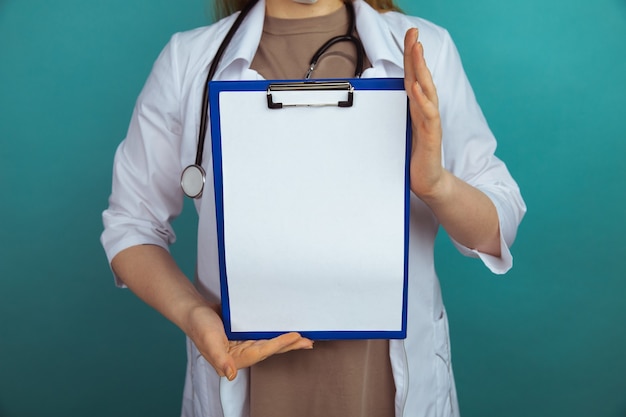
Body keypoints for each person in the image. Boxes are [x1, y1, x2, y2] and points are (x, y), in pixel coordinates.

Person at [101, 0, 526, 416]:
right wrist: (193, 315)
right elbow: (131, 225)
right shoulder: (189, 60)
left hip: (382, 388)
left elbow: (497, 226)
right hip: (250, 384)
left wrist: (436, 185)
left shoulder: (423, 48)